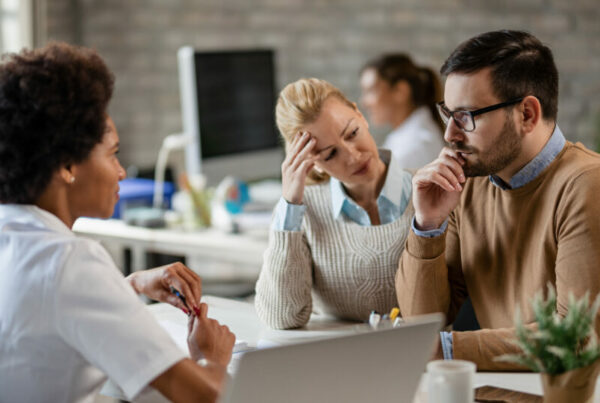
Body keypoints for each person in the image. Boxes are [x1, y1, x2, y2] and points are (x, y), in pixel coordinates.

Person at [0, 43, 235, 402]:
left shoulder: (14, 234)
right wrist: (210, 357)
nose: (122, 172)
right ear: (66, 165)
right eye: (113, 154)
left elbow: (44, 310)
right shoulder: (70, 261)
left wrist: (131, 285)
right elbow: (204, 396)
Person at [396, 30, 600, 370]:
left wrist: (448, 349)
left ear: (527, 115)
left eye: (466, 116)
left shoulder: (587, 185)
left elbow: (577, 338)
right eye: (448, 114)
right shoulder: (468, 185)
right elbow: (422, 323)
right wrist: (428, 226)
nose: (449, 134)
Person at [255, 78, 414, 329]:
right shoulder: (303, 210)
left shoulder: (427, 192)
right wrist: (290, 205)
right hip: (337, 358)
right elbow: (282, 317)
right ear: (310, 162)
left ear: (360, 115)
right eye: (330, 154)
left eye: (352, 133)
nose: (353, 156)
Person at [360, 54, 445, 169]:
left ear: (401, 91)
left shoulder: (415, 147)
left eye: (371, 91)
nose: (364, 103)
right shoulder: (403, 137)